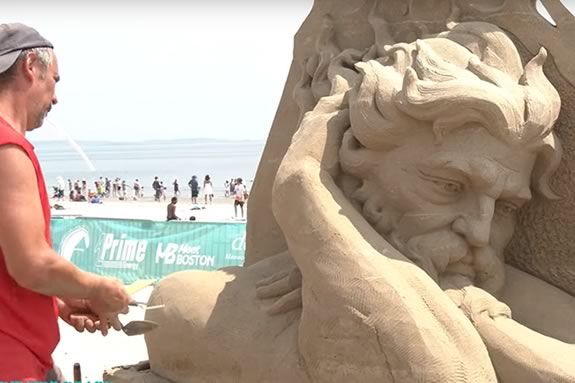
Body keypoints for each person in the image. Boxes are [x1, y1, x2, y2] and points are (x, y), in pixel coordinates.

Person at [143, 22, 575, 381]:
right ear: (351, 157)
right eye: (448, 187)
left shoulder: (524, 302)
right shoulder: (230, 306)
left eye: (505, 208)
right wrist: (307, 199)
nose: (479, 232)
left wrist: (467, 316)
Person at [0, 23, 131, 382]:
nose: (55, 97)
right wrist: (98, 288)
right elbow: (31, 264)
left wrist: (57, 301)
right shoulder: (7, 148)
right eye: (54, 80)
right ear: (30, 66)